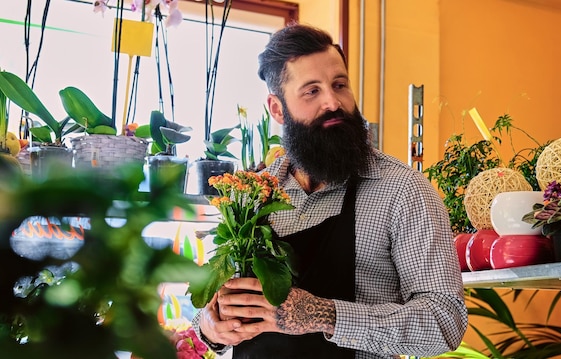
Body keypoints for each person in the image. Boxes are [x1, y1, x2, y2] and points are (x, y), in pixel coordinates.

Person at [192, 23, 468, 359]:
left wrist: (326, 316)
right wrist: (209, 327)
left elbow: (445, 322)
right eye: (312, 91)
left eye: (340, 85)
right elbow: (217, 303)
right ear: (277, 109)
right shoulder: (251, 194)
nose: (333, 102)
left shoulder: (404, 192)